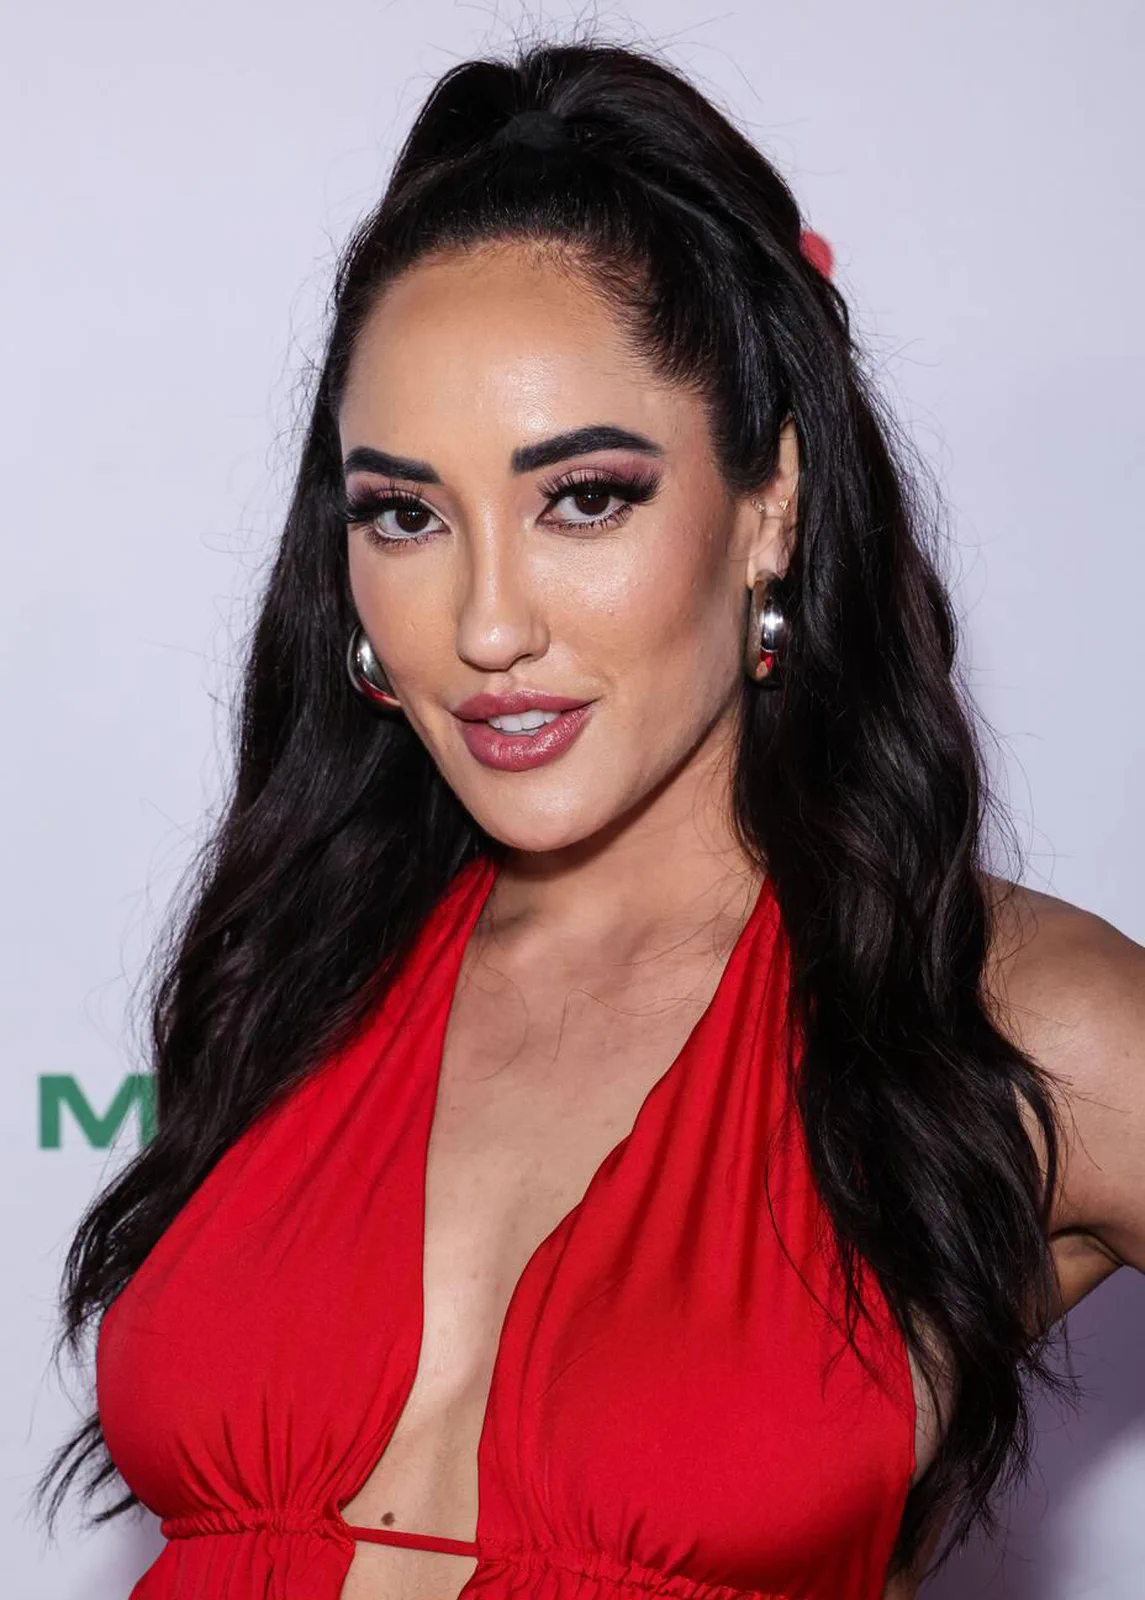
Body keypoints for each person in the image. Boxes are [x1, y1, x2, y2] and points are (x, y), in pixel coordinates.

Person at [37, 35, 1143, 1600]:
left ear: (770, 506)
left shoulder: (1007, 1016)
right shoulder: (303, 964)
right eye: (405, 515)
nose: (488, 624)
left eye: (585, 496)